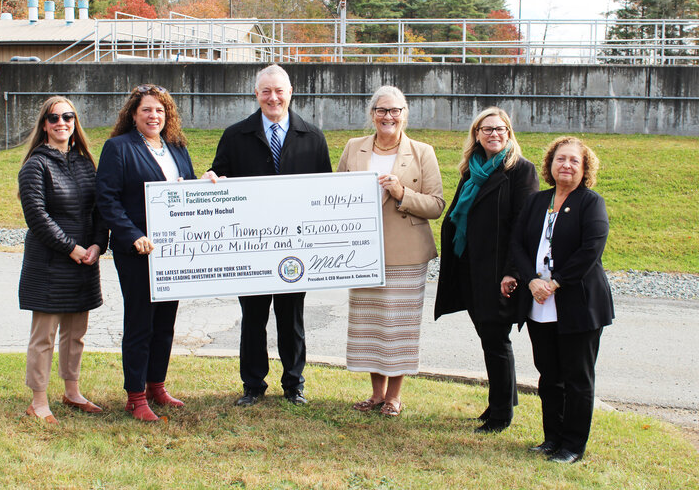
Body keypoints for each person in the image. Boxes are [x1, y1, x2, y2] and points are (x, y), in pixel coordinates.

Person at [203, 64, 331, 407]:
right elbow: (219, 176)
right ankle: (253, 385)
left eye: (279, 91)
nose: (273, 98)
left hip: (295, 247)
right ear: (256, 94)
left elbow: (325, 192)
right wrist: (211, 179)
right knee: (254, 318)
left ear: (290, 93)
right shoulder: (235, 135)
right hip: (251, 247)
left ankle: (294, 384)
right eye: (265, 91)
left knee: (292, 320)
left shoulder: (313, 137)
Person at [337, 86, 444, 417]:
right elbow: (336, 193)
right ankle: (376, 394)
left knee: (399, 327)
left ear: (405, 114)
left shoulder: (423, 152)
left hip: (407, 255)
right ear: (372, 114)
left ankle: (394, 396)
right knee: (370, 326)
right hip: (363, 253)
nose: (388, 117)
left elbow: (436, 205)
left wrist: (402, 192)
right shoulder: (354, 148)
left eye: (395, 110)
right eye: (382, 110)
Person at [434, 107, 538, 433]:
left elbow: (524, 226)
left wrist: (513, 272)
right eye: (487, 129)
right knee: (487, 338)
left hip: (498, 272)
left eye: (500, 129)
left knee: (496, 339)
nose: (494, 134)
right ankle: (500, 402)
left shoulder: (520, 171)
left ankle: (501, 414)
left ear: (509, 134)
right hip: (469, 267)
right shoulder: (472, 171)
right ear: (477, 135)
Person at [510, 136, 613, 464]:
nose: (566, 165)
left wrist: (553, 283)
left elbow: (590, 251)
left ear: (585, 169)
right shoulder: (537, 201)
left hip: (578, 304)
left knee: (577, 378)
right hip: (540, 303)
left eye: (574, 161)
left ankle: (572, 445)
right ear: (550, 165)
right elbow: (517, 245)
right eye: (560, 159)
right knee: (548, 374)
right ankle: (551, 438)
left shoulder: (590, 203)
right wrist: (531, 281)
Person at [96, 84, 196, 421]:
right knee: (140, 322)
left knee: (165, 322)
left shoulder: (177, 148)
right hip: (137, 251)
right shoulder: (118, 148)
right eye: (146, 111)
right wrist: (132, 234)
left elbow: (189, 190)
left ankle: (157, 385)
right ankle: (135, 396)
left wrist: (205, 183)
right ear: (133, 115)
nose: (154, 116)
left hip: (173, 249)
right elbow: (107, 199)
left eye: (159, 110)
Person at [18, 96, 108, 424]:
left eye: (67, 117)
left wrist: (98, 244)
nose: (61, 123)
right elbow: (37, 217)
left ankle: (72, 392)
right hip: (50, 265)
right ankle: (38, 401)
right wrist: (72, 248)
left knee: (75, 333)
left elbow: (100, 209)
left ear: (75, 122)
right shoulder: (35, 165)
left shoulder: (86, 163)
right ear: (44, 124)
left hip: (85, 261)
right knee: (44, 336)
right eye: (54, 118)